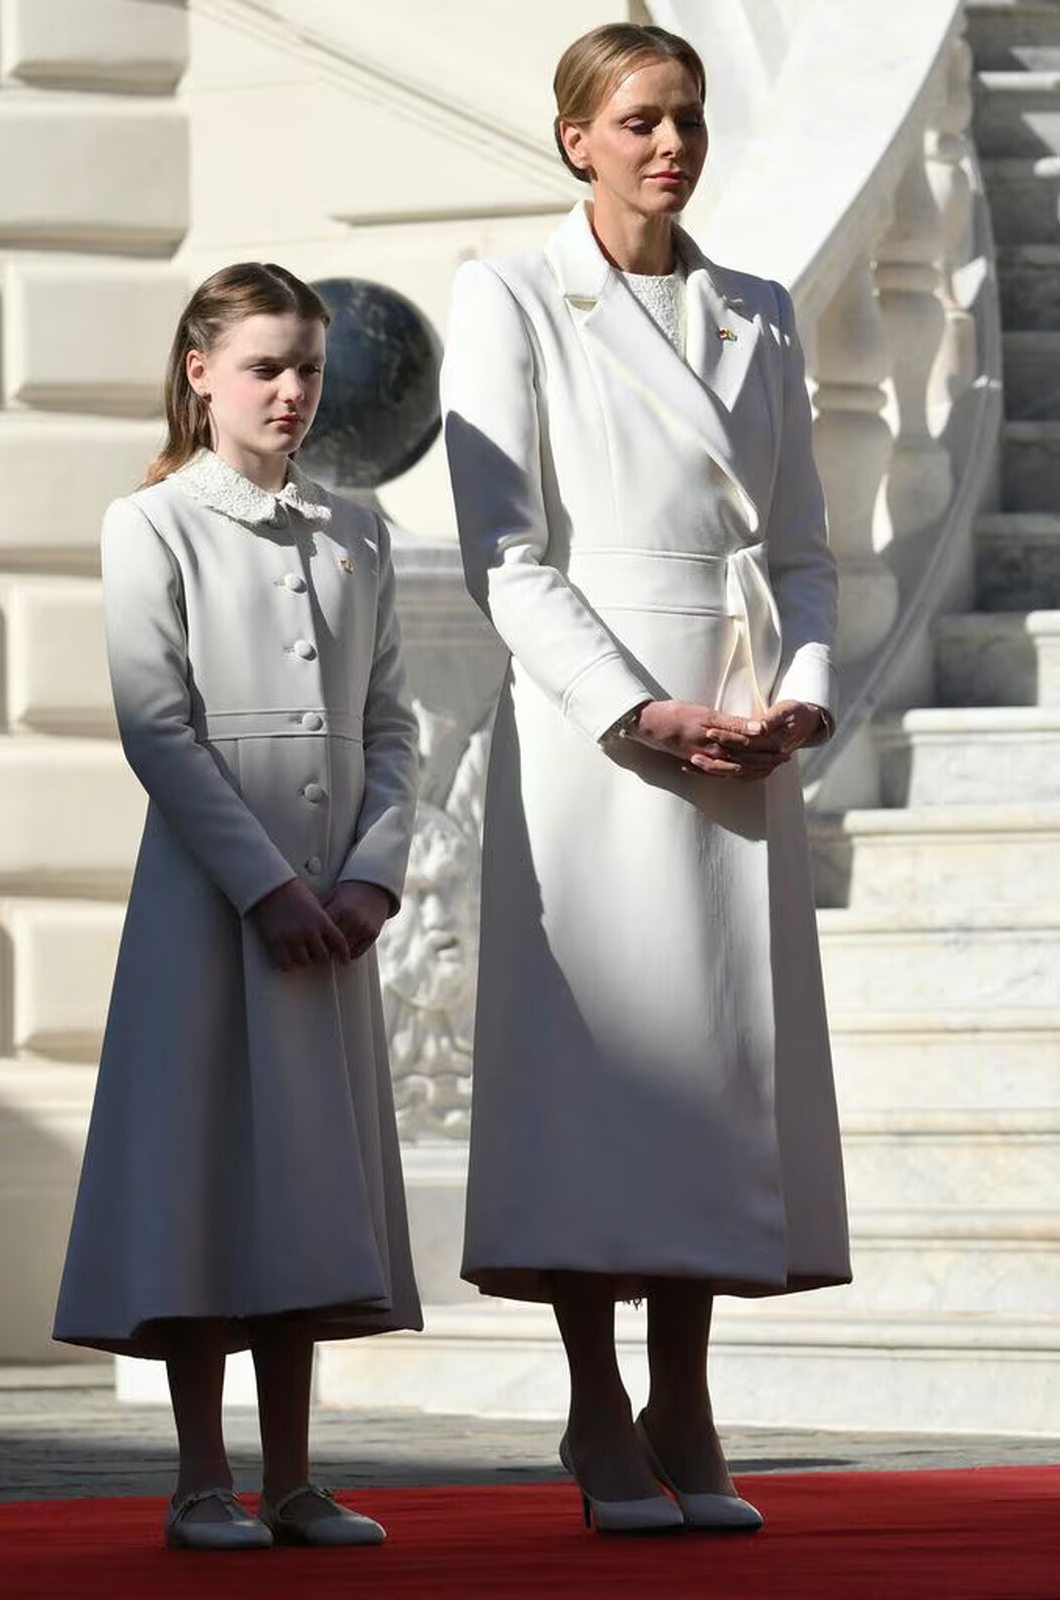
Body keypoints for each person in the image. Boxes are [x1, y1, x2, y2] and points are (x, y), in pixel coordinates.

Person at [441, 22, 850, 1535]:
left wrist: (799, 698)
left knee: (713, 1074)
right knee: (592, 1072)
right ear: (576, 139)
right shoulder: (510, 294)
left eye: (687, 116)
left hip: (740, 723)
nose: (670, 144)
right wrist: (638, 708)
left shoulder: (759, 310)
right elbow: (504, 552)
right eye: (637, 121)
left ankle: (685, 1399)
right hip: (595, 738)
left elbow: (803, 551)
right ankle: (595, 1405)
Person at [54, 262, 421, 1550]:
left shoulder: (358, 531)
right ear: (201, 371)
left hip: (335, 910)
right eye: (266, 365)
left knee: (303, 1181)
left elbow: (391, 724)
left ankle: (296, 1479)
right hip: (211, 911)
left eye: (308, 367)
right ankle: (202, 1477)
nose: (291, 390)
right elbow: (156, 727)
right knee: (208, 1175)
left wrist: (373, 871)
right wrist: (266, 888)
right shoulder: (150, 523)